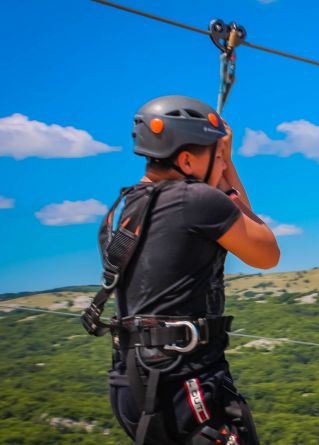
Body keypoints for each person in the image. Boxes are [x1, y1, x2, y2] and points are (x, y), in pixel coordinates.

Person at [96, 95, 279, 445]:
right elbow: (265, 251)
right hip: (185, 381)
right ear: (185, 159)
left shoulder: (128, 206)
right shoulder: (197, 201)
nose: (221, 162)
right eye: (215, 155)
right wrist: (227, 165)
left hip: (132, 381)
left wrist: (216, 155)